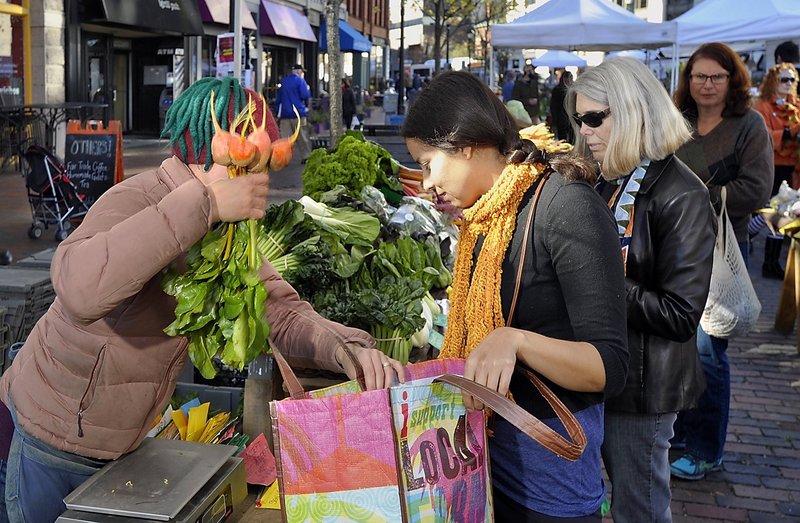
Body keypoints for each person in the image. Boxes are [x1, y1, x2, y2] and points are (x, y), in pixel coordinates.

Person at [0, 77, 405, 523]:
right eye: (255, 161)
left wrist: (343, 348)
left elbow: (279, 311)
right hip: (51, 438)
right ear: (216, 150)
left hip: (123, 443)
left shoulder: (229, 232)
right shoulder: (138, 197)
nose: (265, 178)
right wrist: (204, 206)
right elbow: (78, 287)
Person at [402, 70, 629, 522]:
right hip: (483, 463)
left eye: (428, 163)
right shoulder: (483, 215)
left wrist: (516, 340)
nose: (425, 182)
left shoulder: (567, 208)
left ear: (465, 145)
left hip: (547, 480)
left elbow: (610, 367)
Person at [567, 57, 716, 523]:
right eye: (578, 118)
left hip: (644, 387)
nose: (584, 130)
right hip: (604, 373)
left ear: (633, 113)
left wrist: (601, 280)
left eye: (595, 118)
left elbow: (681, 314)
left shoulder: (682, 193)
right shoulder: (612, 178)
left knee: (641, 509)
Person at [671, 42, 773, 481]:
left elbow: (757, 189)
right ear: (687, 80)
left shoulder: (749, 125)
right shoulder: (677, 124)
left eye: (716, 76)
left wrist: (696, 196)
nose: (706, 84)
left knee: (709, 347)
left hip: (724, 251)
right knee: (679, 345)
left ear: (733, 80)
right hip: (675, 247)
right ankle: (681, 437)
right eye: (698, 76)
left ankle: (706, 448)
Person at [754, 63, 800, 279]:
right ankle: (766, 260)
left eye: (792, 80)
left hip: (793, 166)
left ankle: (770, 261)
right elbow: (763, 135)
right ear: (773, 81)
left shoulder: (796, 106)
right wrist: (789, 133)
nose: (789, 83)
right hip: (772, 165)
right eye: (784, 79)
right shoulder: (762, 106)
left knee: (783, 213)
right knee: (773, 212)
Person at [275, 63, 312, 160]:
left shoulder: (284, 81)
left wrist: (277, 112)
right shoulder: (300, 81)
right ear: (298, 71)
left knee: (285, 138)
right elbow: (305, 95)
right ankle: (306, 156)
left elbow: (278, 99)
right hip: (298, 113)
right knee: (302, 136)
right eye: (302, 71)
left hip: (285, 114)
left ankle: (284, 158)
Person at [549, 69, 574, 143]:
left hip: (560, 117)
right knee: (572, 138)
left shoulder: (557, 89)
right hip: (569, 116)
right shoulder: (573, 90)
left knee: (562, 138)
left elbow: (553, 106)